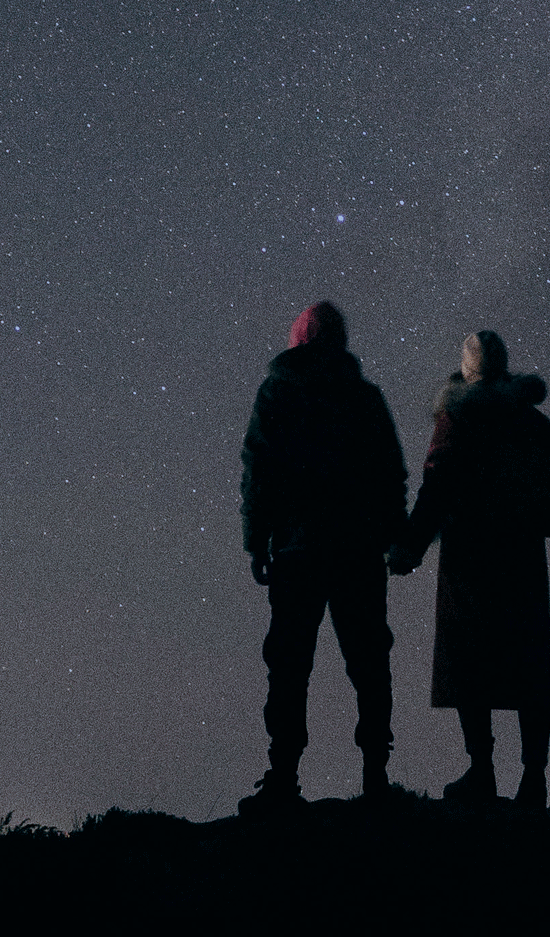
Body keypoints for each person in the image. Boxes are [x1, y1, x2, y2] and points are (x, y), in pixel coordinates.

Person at [237, 301, 409, 815]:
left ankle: (284, 777)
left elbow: (258, 471)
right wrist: (393, 536)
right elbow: (390, 473)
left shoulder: (277, 393)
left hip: (296, 547)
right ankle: (376, 776)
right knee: (369, 661)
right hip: (356, 549)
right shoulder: (364, 397)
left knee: (289, 665)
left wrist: (255, 539)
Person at [387, 330, 550, 809]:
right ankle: (534, 779)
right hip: (522, 558)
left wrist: (409, 546)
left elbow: (437, 485)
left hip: (469, 558)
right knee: (528, 665)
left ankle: (482, 771)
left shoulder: (457, 419)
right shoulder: (530, 421)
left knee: (470, 662)